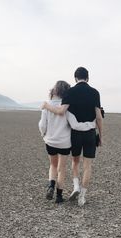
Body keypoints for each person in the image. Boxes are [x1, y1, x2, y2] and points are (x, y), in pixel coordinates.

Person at [42, 67, 103, 206]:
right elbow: (99, 117)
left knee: (74, 162)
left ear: (75, 78)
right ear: (87, 78)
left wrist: (46, 105)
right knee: (87, 166)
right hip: (90, 133)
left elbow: (61, 110)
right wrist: (101, 136)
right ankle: (82, 196)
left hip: (75, 133)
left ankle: (75, 187)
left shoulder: (71, 92)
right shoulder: (95, 93)